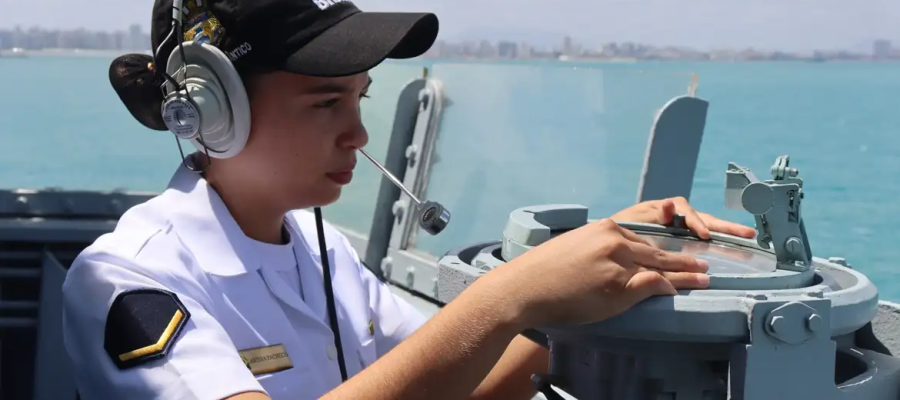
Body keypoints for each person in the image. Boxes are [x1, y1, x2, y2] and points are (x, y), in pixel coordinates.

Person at [61, 0, 757, 399]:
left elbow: (464, 379)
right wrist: (510, 295)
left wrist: (596, 267)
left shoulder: (320, 252)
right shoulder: (130, 279)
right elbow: (472, 339)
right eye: (326, 102)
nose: (358, 133)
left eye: (360, 98)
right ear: (210, 111)